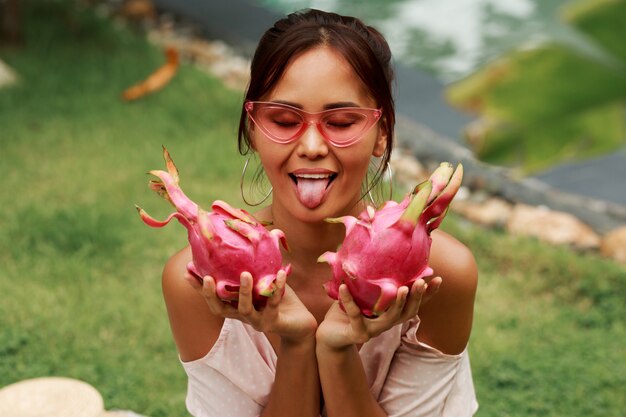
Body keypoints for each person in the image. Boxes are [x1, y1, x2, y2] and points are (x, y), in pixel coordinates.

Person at [161, 8, 478, 417]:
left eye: (343, 122)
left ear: (382, 134)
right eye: (284, 119)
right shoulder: (201, 280)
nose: (311, 145)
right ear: (252, 129)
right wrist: (295, 342)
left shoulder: (438, 276)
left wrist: (337, 347)